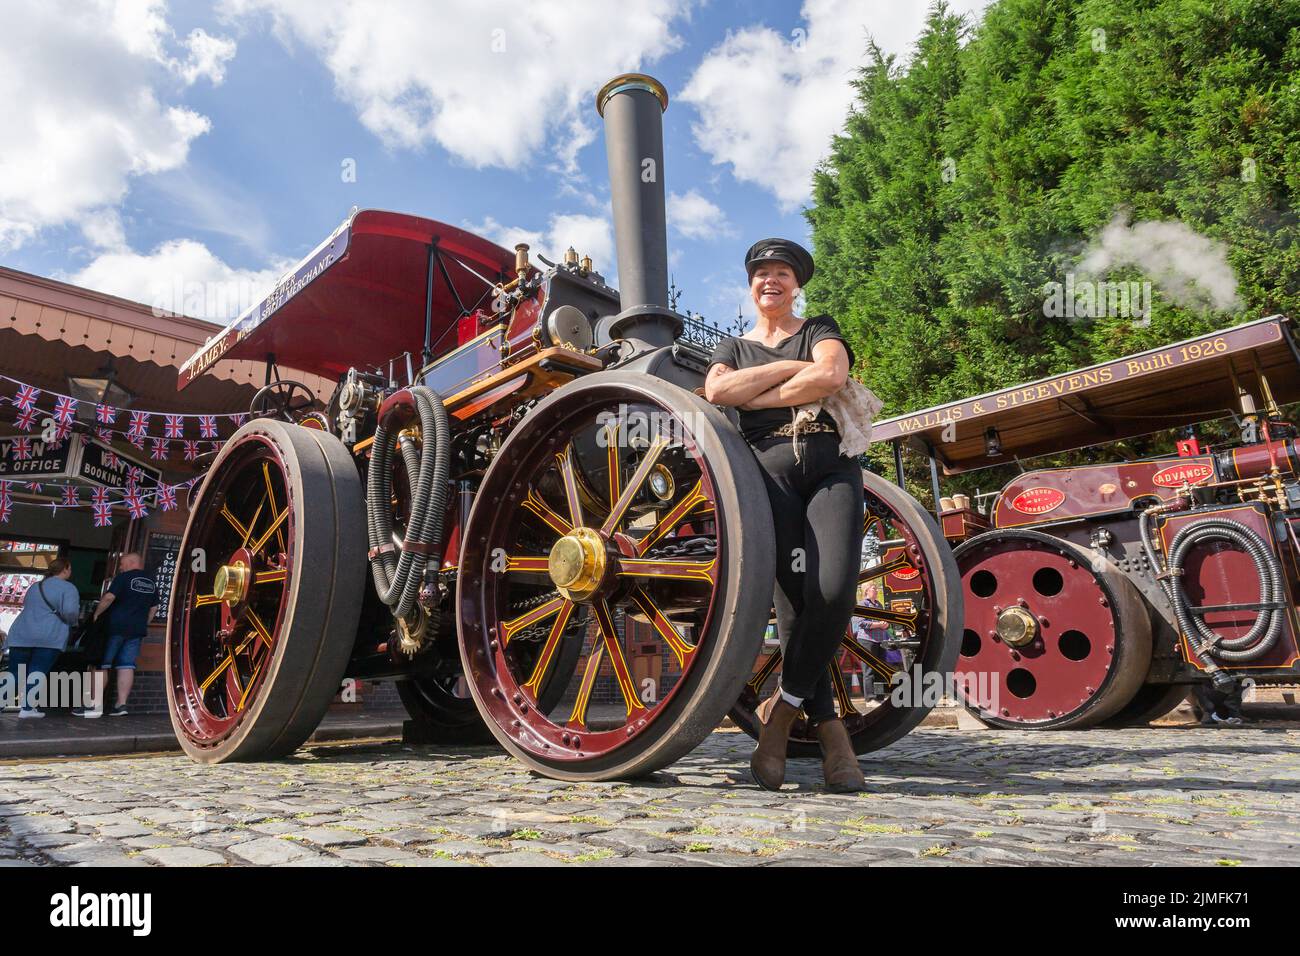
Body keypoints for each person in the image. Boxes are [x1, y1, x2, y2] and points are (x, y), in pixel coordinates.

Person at [705, 237, 866, 793]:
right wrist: (791, 373)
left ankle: (780, 716)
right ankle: (831, 735)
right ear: (750, 286)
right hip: (766, 476)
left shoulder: (820, 327)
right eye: (761, 274)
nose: (770, 280)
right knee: (795, 603)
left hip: (830, 465)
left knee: (836, 588)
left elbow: (830, 377)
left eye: (781, 273)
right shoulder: (733, 344)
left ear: (796, 285)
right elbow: (717, 388)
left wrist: (758, 393)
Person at [76, 553, 157, 717]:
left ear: (132, 562)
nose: (120, 567)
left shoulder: (123, 577)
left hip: (115, 627)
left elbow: (108, 598)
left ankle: (94, 705)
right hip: (136, 630)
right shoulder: (151, 583)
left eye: (122, 563)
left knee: (102, 664)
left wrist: (96, 615)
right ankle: (121, 705)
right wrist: (143, 623)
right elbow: (154, 608)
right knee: (127, 665)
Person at [3, 559, 80, 718]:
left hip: (22, 634)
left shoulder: (35, 586)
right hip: (49, 636)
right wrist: (72, 622)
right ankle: (27, 708)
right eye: (70, 568)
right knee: (37, 672)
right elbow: (71, 612)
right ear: (65, 569)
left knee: (15, 673)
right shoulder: (69, 588)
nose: (70, 571)